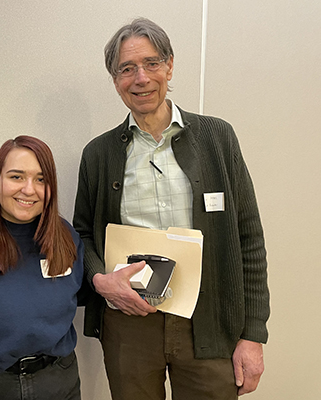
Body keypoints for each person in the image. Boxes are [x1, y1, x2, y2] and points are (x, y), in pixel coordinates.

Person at [73, 18, 270, 399]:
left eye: (150, 63)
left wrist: (252, 334)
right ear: (115, 80)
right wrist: (99, 279)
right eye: (126, 69)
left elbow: (249, 239)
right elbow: (81, 234)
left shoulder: (217, 137)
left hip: (208, 320)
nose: (140, 78)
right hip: (129, 322)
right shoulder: (99, 154)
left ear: (170, 66)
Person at [0, 136, 84, 400]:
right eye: (16, 177)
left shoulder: (65, 236)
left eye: (41, 179)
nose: (29, 189)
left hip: (57, 383)